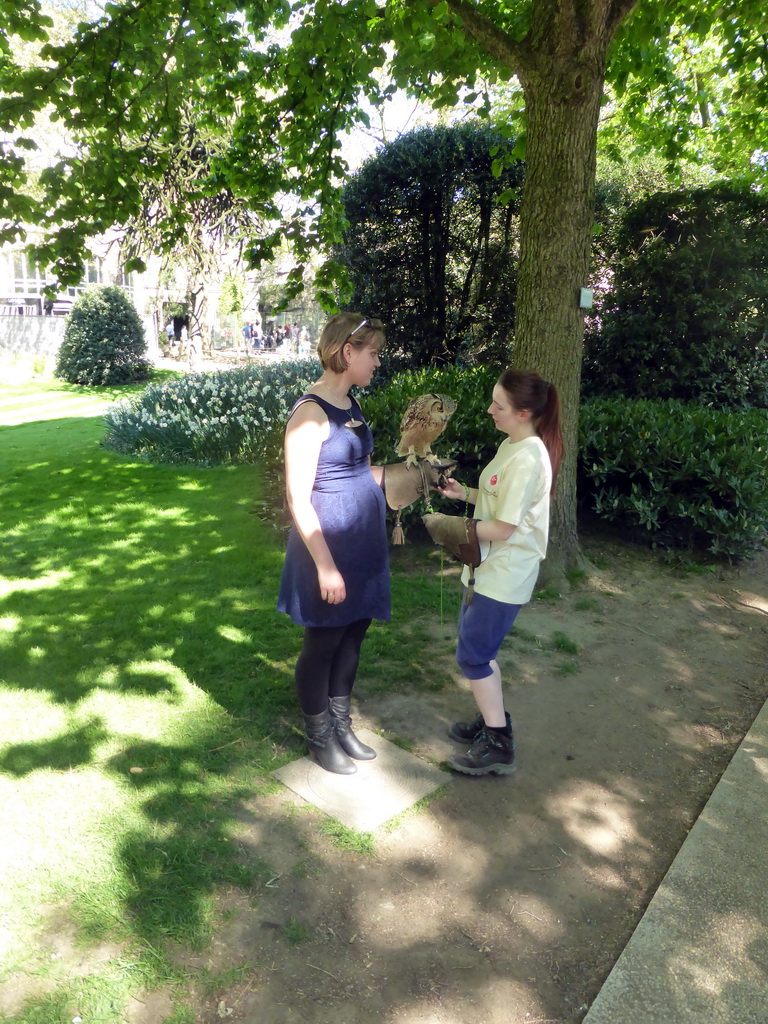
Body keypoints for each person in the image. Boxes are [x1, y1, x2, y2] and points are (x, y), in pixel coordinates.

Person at [277, 313, 389, 774]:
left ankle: (341, 725)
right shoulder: (310, 413)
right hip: (328, 548)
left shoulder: (351, 405)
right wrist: (324, 566)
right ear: (348, 352)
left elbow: (360, 474)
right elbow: (298, 497)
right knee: (322, 643)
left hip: (363, 545)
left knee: (353, 635)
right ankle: (319, 735)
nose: (378, 362)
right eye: (374, 353)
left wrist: (414, 475)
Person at [437, 369, 564, 777]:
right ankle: (491, 718)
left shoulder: (528, 458)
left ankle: (498, 743)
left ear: (524, 412)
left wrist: (449, 527)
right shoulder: (512, 444)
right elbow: (497, 503)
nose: (490, 410)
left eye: (499, 406)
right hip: (485, 567)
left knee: (472, 655)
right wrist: (465, 495)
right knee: (479, 651)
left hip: (504, 573)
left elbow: (506, 529)